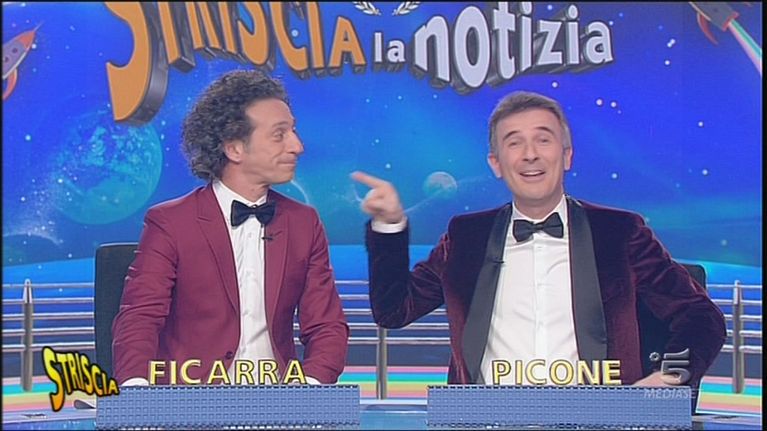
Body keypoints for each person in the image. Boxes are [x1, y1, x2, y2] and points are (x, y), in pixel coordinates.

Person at [352, 91, 725, 388]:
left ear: (567, 156)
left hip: (600, 418)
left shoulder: (619, 232)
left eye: (543, 140)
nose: (530, 155)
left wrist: (671, 376)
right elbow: (394, 311)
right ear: (496, 163)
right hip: (486, 418)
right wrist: (389, 226)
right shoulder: (466, 237)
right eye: (514, 143)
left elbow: (700, 316)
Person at [112, 70, 348, 385]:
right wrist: (136, 389)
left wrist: (308, 390)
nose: (297, 146)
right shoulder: (171, 223)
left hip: (278, 400)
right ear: (234, 148)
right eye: (279, 135)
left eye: (293, 131)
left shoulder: (304, 223)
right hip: (191, 400)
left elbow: (327, 326)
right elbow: (140, 316)